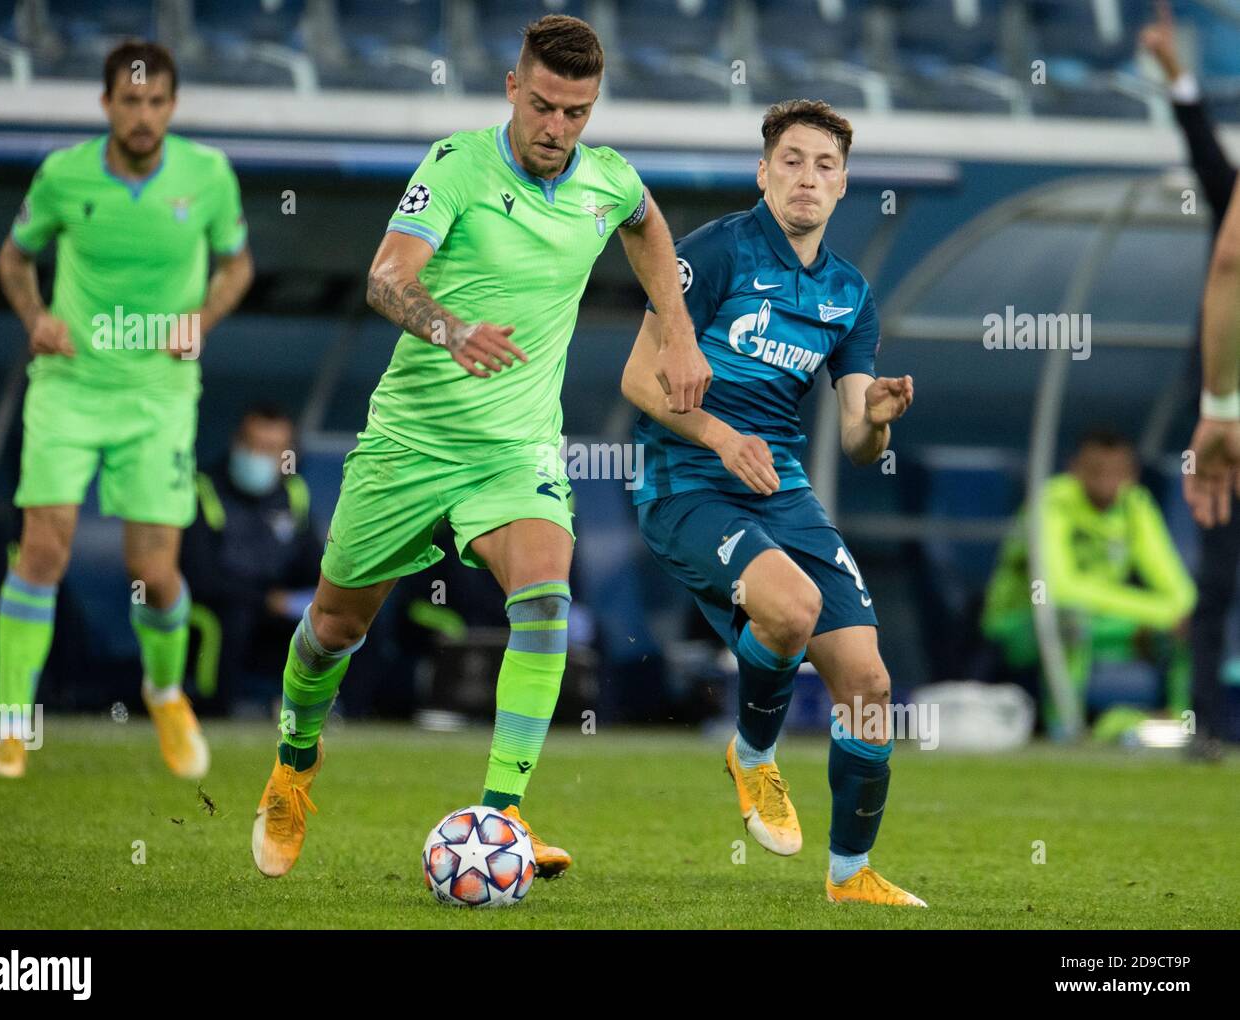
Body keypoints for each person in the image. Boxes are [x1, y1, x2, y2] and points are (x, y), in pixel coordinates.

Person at [251, 14, 710, 880]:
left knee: (545, 601)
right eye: (543, 105)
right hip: (409, 445)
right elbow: (388, 277)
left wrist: (678, 334)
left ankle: (503, 818)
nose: (556, 128)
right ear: (512, 86)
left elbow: (647, 227)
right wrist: (451, 329)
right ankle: (294, 762)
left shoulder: (606, 180)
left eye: (577, 112)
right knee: (331, 629)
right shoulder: (456, 163)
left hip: (516, 452)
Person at [622, 99, 924, 907]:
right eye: (791, 160)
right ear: (764, 172)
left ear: (843, 185)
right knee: (788, 610)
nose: (807, 178)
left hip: (777, 490)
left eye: (825, 166)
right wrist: (721, 438)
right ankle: (753, 757)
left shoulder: (848, 294)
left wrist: (879, 425)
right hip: (687, 482)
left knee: (869, 685)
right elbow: (638, 378)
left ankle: (849, 876)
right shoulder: (716, 252)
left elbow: (860, 440)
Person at [0, 39, 254, 780]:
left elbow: (238, 266)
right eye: (130, 101)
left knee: (156, 571)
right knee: (43, 547)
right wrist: (35, 315)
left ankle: (164, 692)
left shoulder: (208, 177)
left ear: (172, 105)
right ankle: (10, 728)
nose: (143, 115)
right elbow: (13, 258)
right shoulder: (64, 176)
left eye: (156, 101)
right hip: (70, 385)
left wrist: (202, 318)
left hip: (158, 395)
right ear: (106, 104)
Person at [1142, 0, 1240, 753]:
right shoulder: (1228, 188)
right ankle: (1206, 721)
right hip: (1226, 413)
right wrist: (1177, 75)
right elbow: (1208, 152)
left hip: (1223, 408)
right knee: (1216, 576)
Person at [984, 429, 1196, 735]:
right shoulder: (1052, 500)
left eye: (1117, 472)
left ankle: (1178, 729)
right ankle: (1066, 733)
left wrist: (1162, 618)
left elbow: (1180, 594)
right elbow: (1058, 589)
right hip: (1024, 625)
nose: (1107, 481)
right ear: (1075, 469)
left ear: (1132, 475)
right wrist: (1151, 614)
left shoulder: (1134, 504)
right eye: (1096, 471)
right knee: (1071, 621)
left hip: (1105, 623)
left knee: (1187, 627)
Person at [181, 405, 321, 715]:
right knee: (234, 616)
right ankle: (214, 711)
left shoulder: (294, 493)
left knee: (343, 618)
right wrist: (265, 599)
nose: (259, 456)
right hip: (216, 608)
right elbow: (200, 578)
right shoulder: (202, 489)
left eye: (271, 449)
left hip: (277, 609)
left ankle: (339, 713)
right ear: (235, 443)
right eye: (252, 445)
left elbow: (314, 565)